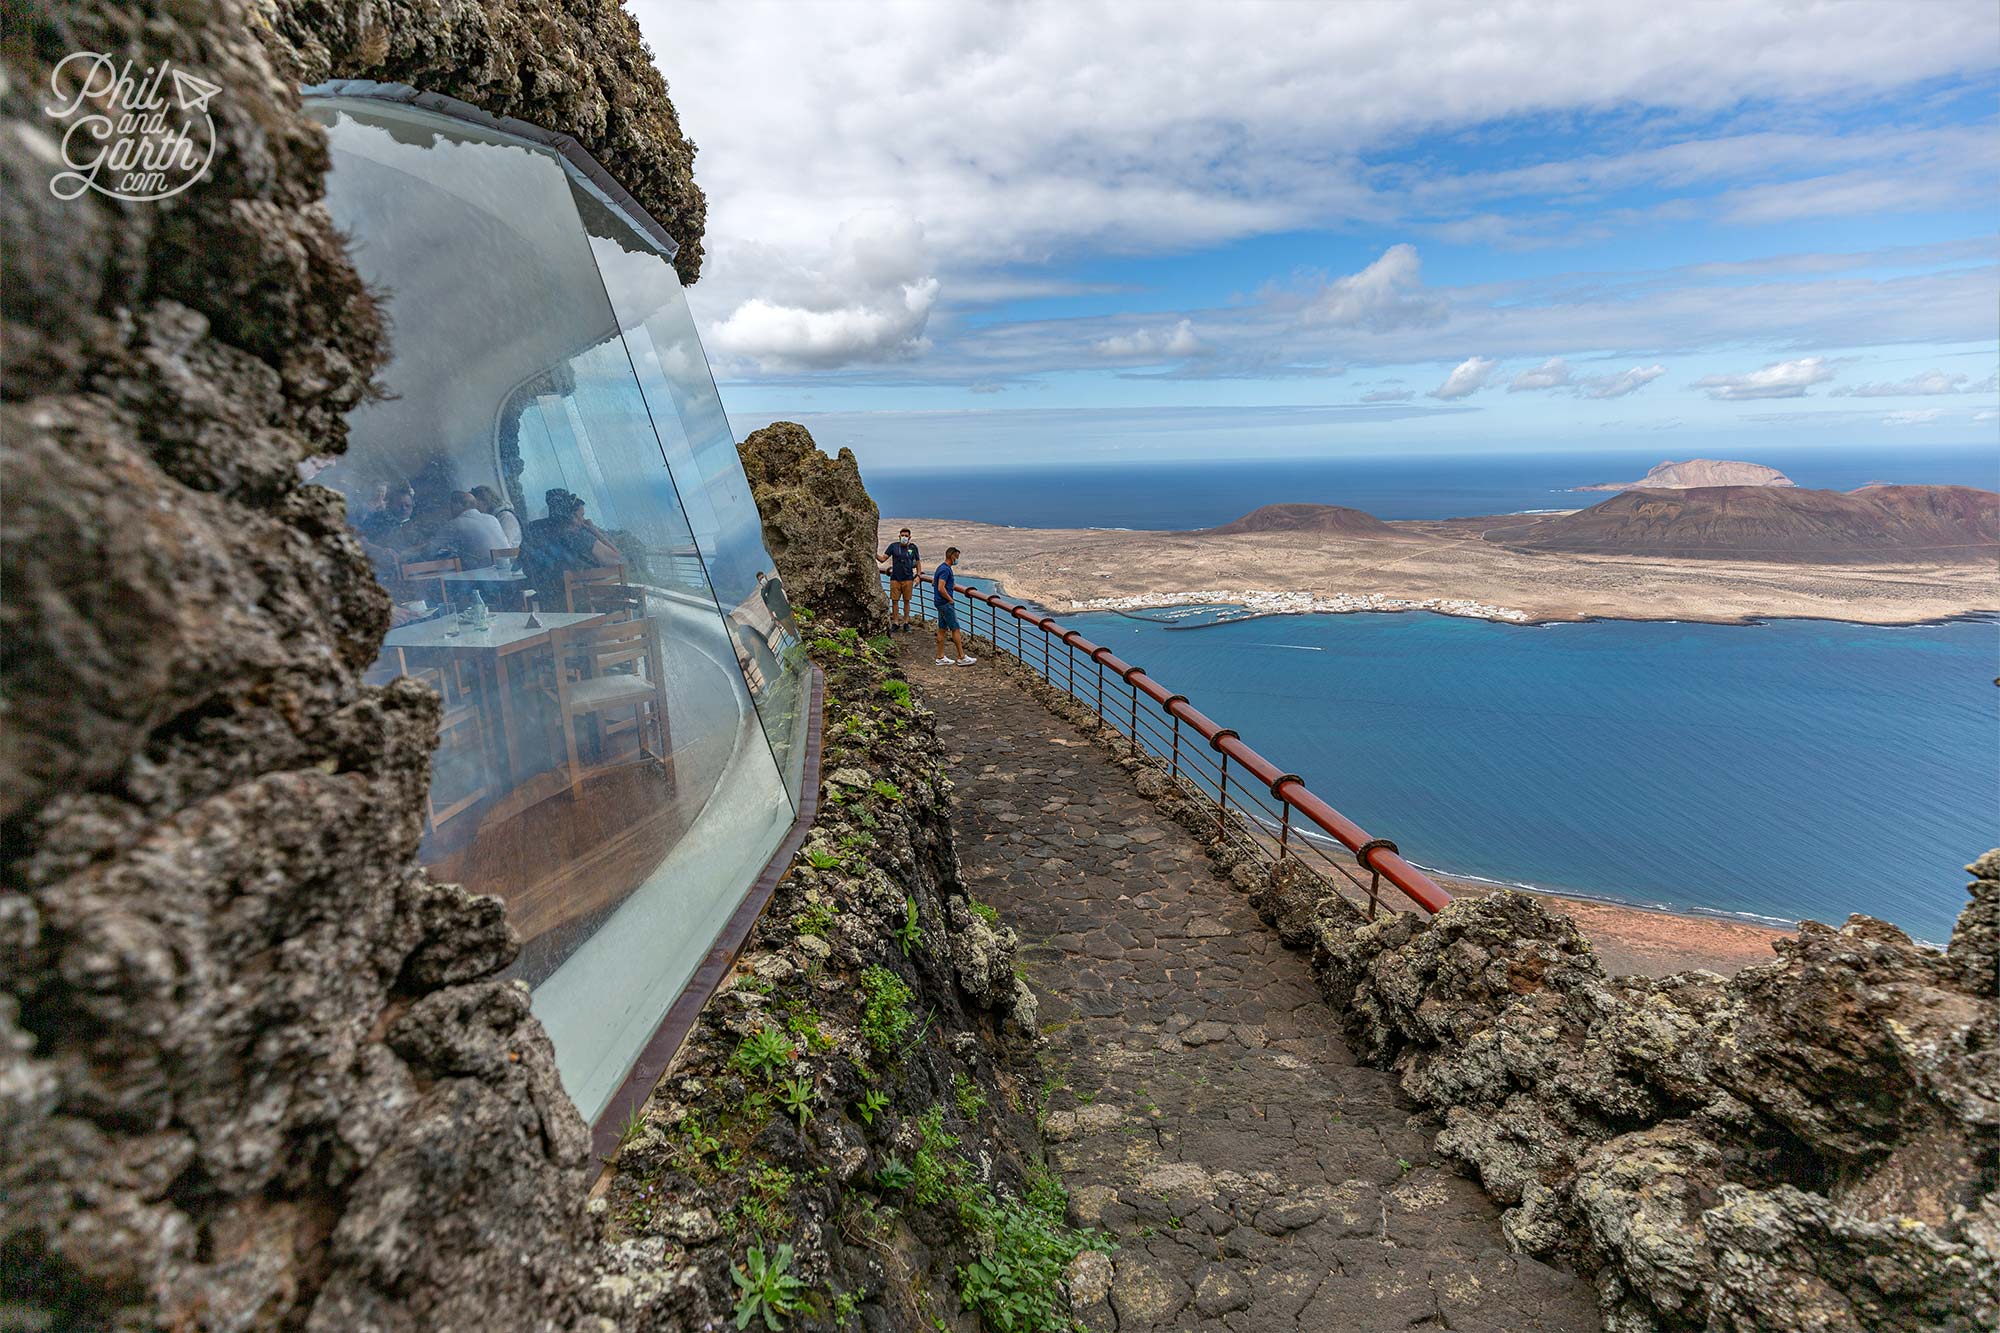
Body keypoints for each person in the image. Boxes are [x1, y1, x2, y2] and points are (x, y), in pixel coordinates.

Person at [519, 487, 621, 604]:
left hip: (546, 600)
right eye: (581, 516)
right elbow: (615, 558)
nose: (583, 521)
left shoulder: (533, 529)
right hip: (579, 603)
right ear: (570, 514)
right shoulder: (577, 536)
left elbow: (525, 567)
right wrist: (594, 531)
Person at [932, 546, 975, 666]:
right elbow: (940, 587)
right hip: (945, 604)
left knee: (942, 629)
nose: (957, 560)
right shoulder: (946, 569)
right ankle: (961, 657)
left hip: (939, 603)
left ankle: (940, 656)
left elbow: (934, 583)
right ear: (952, 556)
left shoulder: (941, 567)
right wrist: (950, 599)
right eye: (957, 557)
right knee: (955, 628)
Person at [444, 491, 510, 568]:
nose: (449, 509)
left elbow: (431, 549)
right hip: (505, 569)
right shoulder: (492, 518)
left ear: (459, 505)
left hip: (483, 574)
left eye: (450, 505)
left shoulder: (455, 523)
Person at [879, 527, 922, 632]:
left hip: (908, 578)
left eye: (906, 536)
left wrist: (918, 576)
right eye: (902, 535)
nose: (904, 537)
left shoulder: (913, 548)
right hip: (895, 578)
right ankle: (896, 623)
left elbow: (918, 562)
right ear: (899, 536)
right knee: (895, 601)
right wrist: (872, 552)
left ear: (910, 537)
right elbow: (883, 559)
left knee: (906, 601)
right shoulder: (893, 546)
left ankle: (906, 623)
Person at [357, 480, 414, 545]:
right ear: (390, 505)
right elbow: (360, 536)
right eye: (399, 505)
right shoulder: (378, 520)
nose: (404, 508)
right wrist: (378, 549)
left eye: (408, 505)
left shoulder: (416, 525)